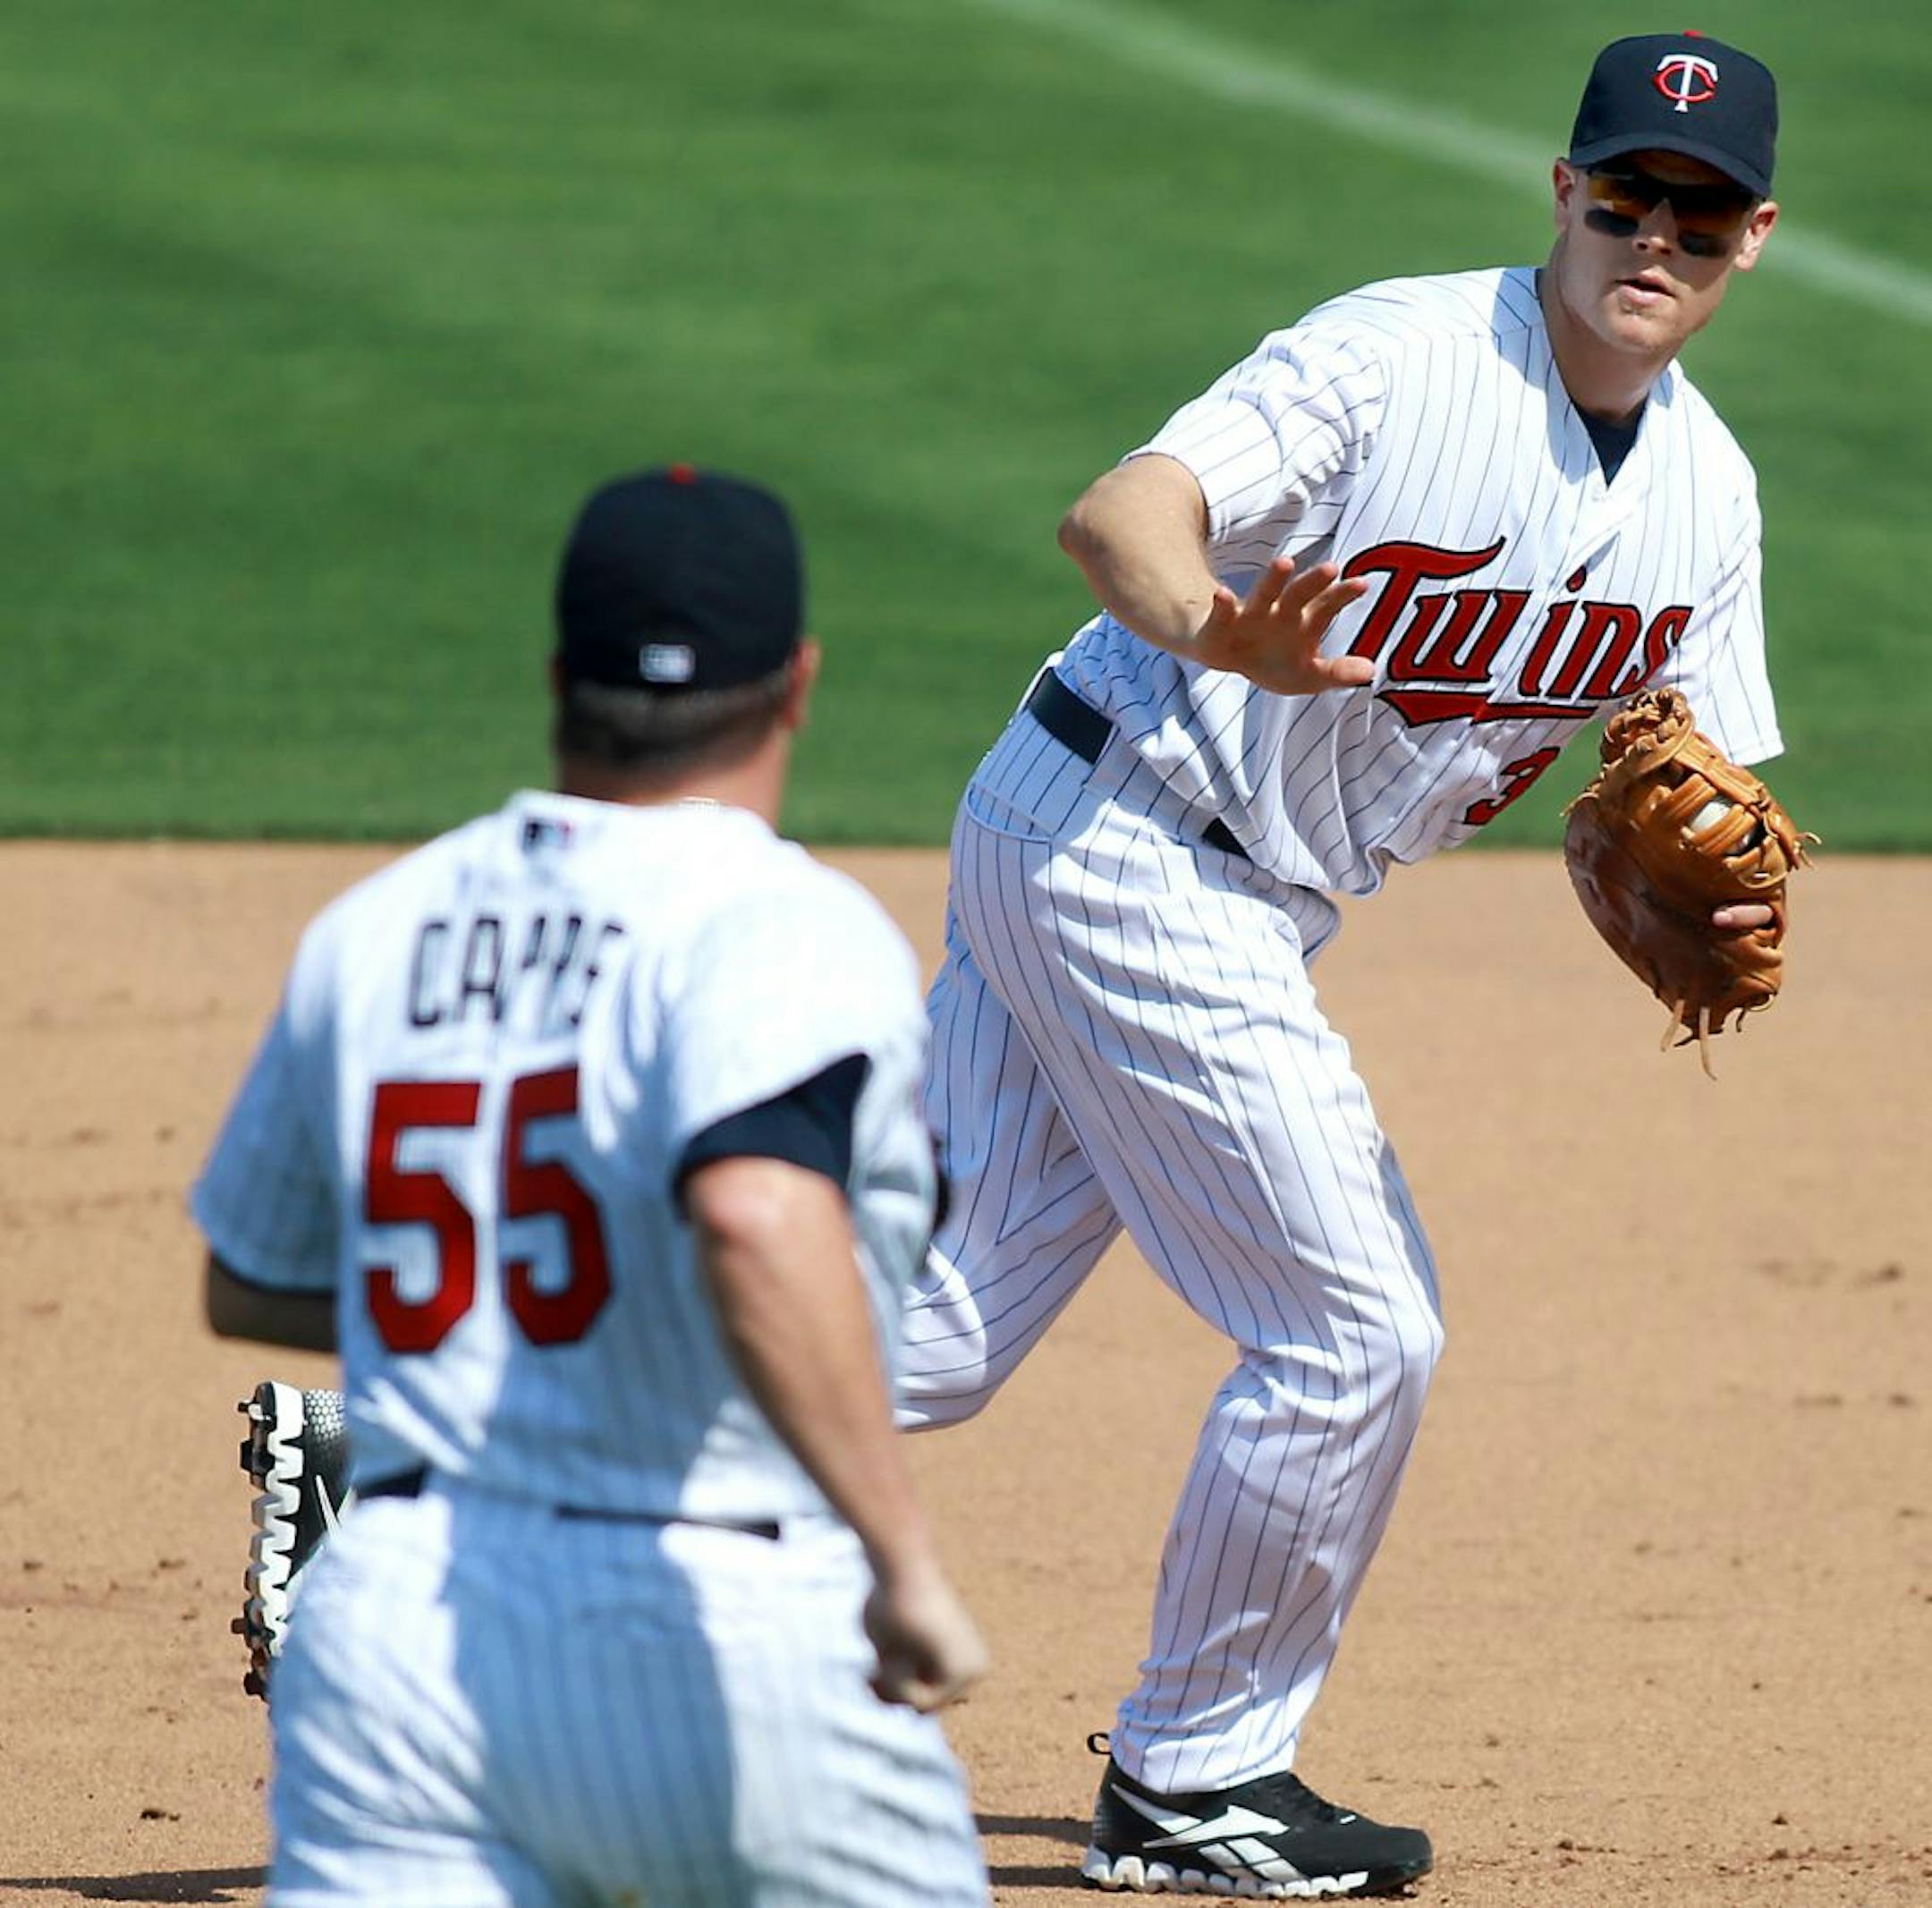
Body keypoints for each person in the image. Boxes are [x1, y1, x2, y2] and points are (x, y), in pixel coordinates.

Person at [893, 30, 1785, 1898]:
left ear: (1751, 241)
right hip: (1131, 834)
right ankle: (1195, 1777)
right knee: (1353, 1323)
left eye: (1696, 218)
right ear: (1564, 190)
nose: (1654, 235)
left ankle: (406, 1471)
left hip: (1161, 861)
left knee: (932, 1329)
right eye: (1624, 193)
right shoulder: (1395, 357)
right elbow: (1119, 517)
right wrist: (1234, 633)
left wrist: (1707, 889)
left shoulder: (1710, 498)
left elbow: (1679, 781)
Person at [194, 466, 992, 1907]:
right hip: (721, 1619)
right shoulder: (785, 925)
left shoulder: (375, 928)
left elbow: (246, 1273)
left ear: (559, 677)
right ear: (797, 683)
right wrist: (903, 1556)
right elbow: (755, 1211)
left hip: (398, 1630)